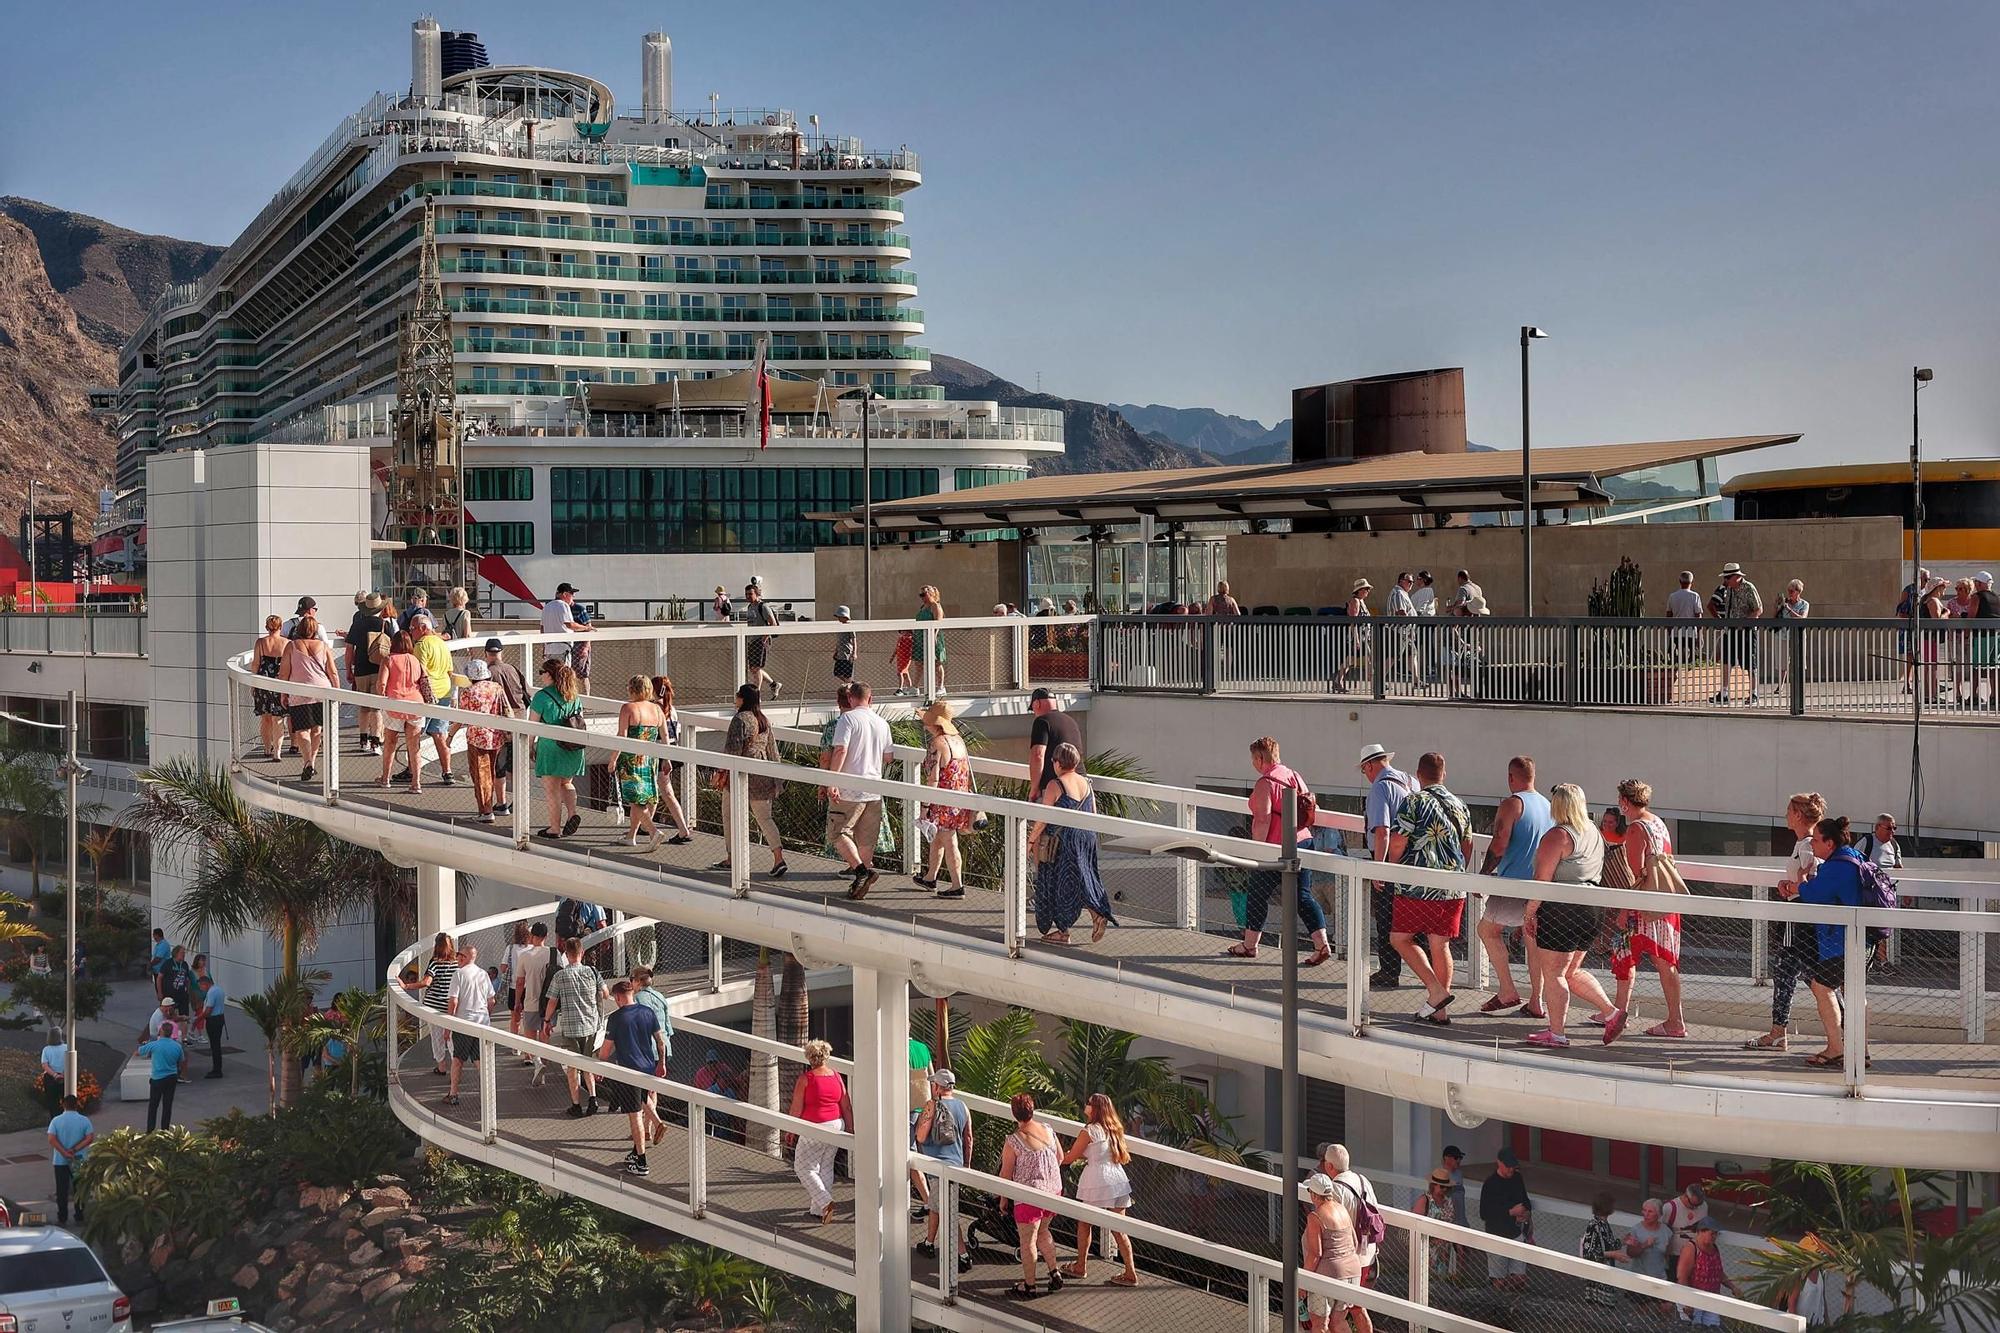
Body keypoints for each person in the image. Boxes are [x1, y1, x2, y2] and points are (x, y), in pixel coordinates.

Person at [1524, 782, 1619, 1046]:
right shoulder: (1594, 832)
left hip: (1561, 910)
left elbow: (1542, 879)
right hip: (1591, 909)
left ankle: (1557, 1033)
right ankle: (1611, 1012)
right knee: (1571, 971)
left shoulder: (1558, 836)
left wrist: (1529, 913)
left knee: (1554, 973)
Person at [1226, 737, 1331, 964]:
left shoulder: (1265, 783)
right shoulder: (1293, 776)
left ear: (1260, 758)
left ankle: (1250, 945)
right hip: (1303, 841)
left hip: (1276, 848)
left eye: (1253, 758)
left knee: (1256, 894)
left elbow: (1262, 819)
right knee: (1301, 896)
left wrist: (1257, 850)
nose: (1253, 763)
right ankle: (1321, 944)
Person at [1386, 751, 1473, 1023]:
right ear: (1443, 774)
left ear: (1418, 774)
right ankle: (1441, 1010)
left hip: (1418, 886)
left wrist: (1391, 867)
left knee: (1399, 938)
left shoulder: (1414, 801)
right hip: (1453, 887)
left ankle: (1435, 992)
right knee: (1440, 943)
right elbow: (1467, 844)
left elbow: (1398, 839)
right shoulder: (1460, 804)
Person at [1606, 778, 1686, 1039]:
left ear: (1624, 801)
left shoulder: (1636, 829)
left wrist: (1624, 909)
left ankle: (1667, 1020)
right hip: (1665, 900)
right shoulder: (1658, 823)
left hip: (1645, 905)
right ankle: (1670, 1018)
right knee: (1665, 960)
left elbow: (1635, 874)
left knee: (1627, 955)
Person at [1748, 792, 1826, 1052]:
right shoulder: (1806, 845)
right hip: (1799, 916)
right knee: (1790, 973)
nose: (1785, 815)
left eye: (1789, 810)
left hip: (1798, 919)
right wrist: (1790, 885)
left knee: (1810, 976)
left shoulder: (1806, 846)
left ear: (1798, 815)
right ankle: (1778, 1032)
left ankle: (1844, 1029)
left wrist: (1794, 886)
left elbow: (1812, 880)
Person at [1477, 756, 1555, 1018]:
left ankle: (1508, 990)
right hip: (1540, 886)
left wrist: (1483, 875)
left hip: (1513, 883)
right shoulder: (1547, 805)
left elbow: (1499, 842)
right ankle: (1537, 1001)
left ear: (1511, 777)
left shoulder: (1512, 804)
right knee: (1533, 943)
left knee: (1487, 930)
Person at [1029, 742, 1116, 946]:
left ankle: (1063, 931)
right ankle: (1096, 915)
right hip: (1086, 837)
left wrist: (1031, 840)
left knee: (1062, 883)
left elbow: (1043, 818)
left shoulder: (1054, 785)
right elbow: (1093, 813)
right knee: (1083, 879)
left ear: (1058, 763)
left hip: (1063, 842)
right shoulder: (1086, 783)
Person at [1799, 816, 1867, 1068]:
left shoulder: (1835, 866)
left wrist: (1802, 880)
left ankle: (1836, 1048)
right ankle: (1861, 1052)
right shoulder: (1856, 857)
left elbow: (1812, 895)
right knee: (1855, 992)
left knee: (1821, 986)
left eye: (1816, 840)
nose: (1813, 845)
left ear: (1829, 843)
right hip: (1863, 940)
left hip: (1840, 943)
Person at [1059, 1092, 1137, 1285]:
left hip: (1098, 1181)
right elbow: (1099, 1153)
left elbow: (1071, 1157)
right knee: (1119, 1229)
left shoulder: (1090, 1130)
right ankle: (1130, 1272)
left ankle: (1080, 1266)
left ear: (1094, 1109)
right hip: (1117, 1179)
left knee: (1085, 1223)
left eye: (1088, 1103)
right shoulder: (1113, 1129)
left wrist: (1056, 1152)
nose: (1085, 1105)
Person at [712, 683, 788, 879]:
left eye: (738, 694)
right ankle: (778, 857)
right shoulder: (763, 720)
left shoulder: (740, 719)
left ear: (743, 698)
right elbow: (773, 750)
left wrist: (721, 771)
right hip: (762, 774)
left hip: (740, 776)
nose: (736, 697)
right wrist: (777, 779)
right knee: (765, 818)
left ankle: (732, 857)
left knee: (729, 816)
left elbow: (732, 750)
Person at [1359, 744, 1419, 987]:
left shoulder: (1380, 788)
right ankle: (1429, 969)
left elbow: (1382, 831)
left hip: (1390, 859)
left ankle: (1389, 971)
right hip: (1415, 858)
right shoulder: (1411, 782)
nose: (1366, 775)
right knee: (1415, 916)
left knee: (1385, 917)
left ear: (1370, 765)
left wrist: (1378, 868)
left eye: (1364, 770)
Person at [824, 682, 891, 898]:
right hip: (874, 789)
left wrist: (832, 780)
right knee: (866, 840)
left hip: (850, 788)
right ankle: (860, 884)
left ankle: (861, 872)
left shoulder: (848, 719)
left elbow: (840, 750)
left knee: (837, 833)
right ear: (870, 699)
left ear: (851, 698)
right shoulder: (882, 723)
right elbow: (888, 757)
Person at [997, 1092, 1067, 1298]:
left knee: (1027, 1240)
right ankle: (1055, 1272)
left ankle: (1029, 1285)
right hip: (1053, 1190)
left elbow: (1006, 1174)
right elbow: (1060, 1157)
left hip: (1029, 1195)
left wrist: (1003, 1199)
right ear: (1033, 1109)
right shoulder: (1047, 1129)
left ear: (1014, 1114)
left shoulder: (1013, 1141)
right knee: (1044, 1232)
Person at [598, 979, 667, 1177]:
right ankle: (639, 1146)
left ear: (618, 997)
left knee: (634, 1115)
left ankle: (642, 1161)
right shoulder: (647, 1012)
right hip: (648, 1068)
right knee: (643, 1101)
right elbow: (660, 1042)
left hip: (628, 1071)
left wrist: (598, 1065)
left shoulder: (616, 1018)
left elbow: (606, 1050)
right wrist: (661, 1063)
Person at [912, 1069, 973, 1271]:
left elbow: (920, 1137)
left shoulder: (932, 1105)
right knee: (936, 1207)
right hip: (955, 1166)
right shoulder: (963, 1107)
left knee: (948, 1212)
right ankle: (929, 1244)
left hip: (937, 1168)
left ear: (937, 1087)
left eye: (933, 1084)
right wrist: (967, 1164)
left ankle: (963, 1256)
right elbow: (969, 1138)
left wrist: (922, 1120)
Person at [787, 1038, 853, 1224]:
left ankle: (825, 1202)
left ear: (809, 1058)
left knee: (803, 1167)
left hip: (814, 1126)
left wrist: (790, 1129)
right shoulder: (836, 1076)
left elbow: (796, 1109)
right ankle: (818, 1210)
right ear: (827, 1055)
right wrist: (850, 1127)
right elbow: (846, 1106)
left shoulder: (806, 1079)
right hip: (836, 1125)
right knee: (825, 1166)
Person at [542, 935, 607, 1117]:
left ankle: (576, 1104)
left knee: (572, 1068)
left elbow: (552, 1002)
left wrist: (547, 1021)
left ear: (566, 954)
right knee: (588, 1063)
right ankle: (593, 1098)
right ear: (582, 952)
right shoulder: (593, 972)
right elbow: (606, 993)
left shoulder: (560, 975)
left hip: (570, 1028)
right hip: (591, 1025)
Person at [916, 698, 973, 897]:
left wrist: (924, 808)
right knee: (938, 839)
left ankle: (957, 885)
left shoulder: (937, 744)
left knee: (949, 841)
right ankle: (930, 877)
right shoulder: (959, 742)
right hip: (958, 800)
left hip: (942, 801)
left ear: (935, 723)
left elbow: (933, 779)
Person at [1302, 1173, 1369, 1332]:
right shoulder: (1342, 1209)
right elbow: (1354, 1241)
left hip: (1329, 1274)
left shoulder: (1315, 1216)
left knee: (1320, 1323)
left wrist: (1303, 1282)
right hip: (1352, 1272)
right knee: (1338, 1322)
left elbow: (1315, 1254)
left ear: (1314, 1194)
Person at [529, 658, 585, 839]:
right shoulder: (573, 695)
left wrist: (530, 746)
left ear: (549, 674)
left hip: (551, 748)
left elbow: (532, 726)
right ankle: (572, 813)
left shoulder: (541, 696)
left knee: (551, 789)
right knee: (566, 782)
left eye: (541, 672)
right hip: (572, 747)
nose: (540, 676)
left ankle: (554, 828)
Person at [279, 614, 337, 783]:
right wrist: (337, 691)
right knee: (317, 728)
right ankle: (312, 761)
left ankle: (307, 762)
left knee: (302, 729)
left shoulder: (291, 646)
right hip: (322, 691)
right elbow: (332, 671)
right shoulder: (324, 645)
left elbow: (284, 672)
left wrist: (283, 693)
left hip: (299, 691)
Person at [1319, 1143, 1382, 1293]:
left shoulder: (1334, 1189)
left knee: (1347, 1307)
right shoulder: (1363, 1180)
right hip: (1369, 1254)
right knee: (1356, 1306)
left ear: (1329, 1166)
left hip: (1348, 1260)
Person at [616, 675, 669, 850]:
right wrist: (666, 759)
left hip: (631, 758)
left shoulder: (628, 708)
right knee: (642, 798)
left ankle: (653, 831)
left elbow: (622, 736)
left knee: (635, 799)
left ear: (632, 688)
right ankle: (631, 836)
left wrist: (613, 758)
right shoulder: (657, 710)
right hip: (650, 759)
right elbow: (665, 736)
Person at [404, 616, 457, 786]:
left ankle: (412, 770)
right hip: (445, 692)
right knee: (440, 734)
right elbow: (450, 670)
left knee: (414, 734)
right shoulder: (441, 643)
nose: (411, 632)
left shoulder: (421, 645)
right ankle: (447, 771)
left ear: (422, 628)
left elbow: (420, 672)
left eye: (413, 628)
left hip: (427, 695)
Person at [453, 659, 508, 824]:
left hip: (477, 738)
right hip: (497, 736)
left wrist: (450, 736)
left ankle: (486, 811)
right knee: (493, 772)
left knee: (481, 775)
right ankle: (492, 807)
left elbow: (460, 717)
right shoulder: (497, 688)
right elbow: (506, 709)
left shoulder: (468, 692)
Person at [643, 675, 695, 843]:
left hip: (658, 752)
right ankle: (647, 825)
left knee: (663, 792)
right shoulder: (671, 709)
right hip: (670, 750)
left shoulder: (653, 708)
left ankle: (682, 829)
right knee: (658, 790)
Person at [443, 943, 494, 1108]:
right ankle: (488, 1097)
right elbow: (491, 1000)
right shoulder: (483, 974)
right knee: (480, 1060)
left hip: (464, 1023)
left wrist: (448, 1026)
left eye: (458, 955)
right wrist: (486, 1016)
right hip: (482, 1023)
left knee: (457, 1059)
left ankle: (453, 1094)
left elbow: (453, 1001)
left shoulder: (458, 974)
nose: (456, 958)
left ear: (463, 957)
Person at [378, 631, 427, 794]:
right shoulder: (416, 660)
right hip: (416, 704)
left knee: (390, 742)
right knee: (414, 746)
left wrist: (381, 698)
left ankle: (385, 778)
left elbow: (381, 685)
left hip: (395, 704)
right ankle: (416, 783)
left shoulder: (389, 660)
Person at [404, 932, 459, 1076]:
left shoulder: (435, 962)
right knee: (452, 1037)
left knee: (437, 1036)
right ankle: (456, 1068)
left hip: (434, 1006)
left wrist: (407, 986)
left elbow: (426, 982)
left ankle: (441, 1066)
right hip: (450, 1005)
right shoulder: (456, 963)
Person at [1854, 812, 1904, 969]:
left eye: (1894, 828)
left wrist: (1906, 890)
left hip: (1886, 893)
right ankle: (1872, 960)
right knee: (1869, 926)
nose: (1892, 831)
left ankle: (1881, 961)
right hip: (1869, 893)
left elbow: (1899, 868)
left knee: (1883, 925)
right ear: (1877, 828)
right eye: (1889, 828)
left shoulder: (1894, 845)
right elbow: (1855, 862)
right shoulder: (1867, 841)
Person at [1710, 562, 1764, 704]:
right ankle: (1724, 692)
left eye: (1728, 577)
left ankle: (1753, 693)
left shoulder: (1748, 588)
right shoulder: (1729, 589)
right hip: (1731, 630)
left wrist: (1745, 622)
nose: (1726, 580)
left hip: (1746, 631)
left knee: (1750, 662)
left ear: (1736, 577)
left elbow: (1758, 609)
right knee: (1727, 661)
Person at [1479, 1147, 1531, 1292]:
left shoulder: (1517, 1178)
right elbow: (1484, 1213)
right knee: (1499, 1280)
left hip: (1515, 1233)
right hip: (1497, 1234)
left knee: (1520, 1277)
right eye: (1508, 1167)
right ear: (1499, 1163)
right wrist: (1510, 1212)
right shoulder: (1490, 1184)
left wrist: (1525, 1213)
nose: (1510, 1170)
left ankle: (1513, 1301)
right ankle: (1499, 1303)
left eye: (1512, 1167)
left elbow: (1526, 1201)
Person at [1676, 1218, 1742, 1324]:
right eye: (1712, 1234)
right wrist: (1687, 1301)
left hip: (1712, 1298)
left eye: (1716, 1234)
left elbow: (1718, 1272)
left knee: (1713, 1326)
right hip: (1693, 1297)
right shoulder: (1691, 1248)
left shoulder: (1714, 1248)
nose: (1715, 1237)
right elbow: (1682, 1276)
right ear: (1701, 1232)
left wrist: (1732, 1287)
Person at [1026, 687, 1083, 802]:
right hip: (1080, 786)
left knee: (1039, 819)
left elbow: (1038, 755)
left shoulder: (1042, 721)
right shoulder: (1071, 721)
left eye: (1032, 709)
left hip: (1056, 789)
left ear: (1036, 703)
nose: (1034, 713)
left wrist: (1034, 788)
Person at [250, 615, 289, 760]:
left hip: (262, 682)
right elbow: (288, 665)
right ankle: (277, 752)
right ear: (280, 627)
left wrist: (253, 684)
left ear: (267, 627)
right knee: (278, 719)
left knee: (265, 718)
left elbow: (255, 664)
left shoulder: (261, 642)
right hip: (279, 683)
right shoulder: (286, 643)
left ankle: (267, 748)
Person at [511, 921, 553, 1055]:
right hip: (549, 1003)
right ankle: (543, 1060)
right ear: (546, 936)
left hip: (531, 1000)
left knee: (530, 1036)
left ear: (531, 936)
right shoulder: (554, 954)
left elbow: (519, 982)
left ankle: (531, 1059)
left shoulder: (525, 956)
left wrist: (518, 1001)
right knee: (545, 1034)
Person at [1580, 1192, 1626, 1306]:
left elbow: (1608, 1246)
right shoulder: (1594, 1225)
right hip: (1597, 1275)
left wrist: (1623, 1242)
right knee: (1599, 1308)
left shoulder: (1604, 1224)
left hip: (1606, 1273)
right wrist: (1613, 1255)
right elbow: (1589, 1253)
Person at [139, 1023, 186, 1131]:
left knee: (153, 1105)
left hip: (158, 1078)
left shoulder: (155, 1044)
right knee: (167, 1104)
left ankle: (150, 1130)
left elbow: (140, 1051)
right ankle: (165, 1129)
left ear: (161, 1031)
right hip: (172, 1077)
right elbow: (182, 1061)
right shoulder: (177, 1046)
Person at [743, 583, 783, 698]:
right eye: (746, 594)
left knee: (756, 668)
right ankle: (774, 684)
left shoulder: (763, 606)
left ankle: (756, 695)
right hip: (752, 640)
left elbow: (773, 623)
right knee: (753, 669)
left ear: (756, 594)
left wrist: (765, 636)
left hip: (761, 641)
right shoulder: (750, 607)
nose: (748, 596)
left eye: (750, 594)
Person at [539, 582, 592, 663]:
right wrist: (587, 628)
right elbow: (570, 624)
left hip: (549, 649)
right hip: (562, 648)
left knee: (552, 673)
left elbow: (542, 628)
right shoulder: (564, 605)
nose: (573, 597)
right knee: (564, 674)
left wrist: (544, 647)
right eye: (572, 595)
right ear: (564, 594)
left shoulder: (547, 607)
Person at [193, 963, 228, 1079]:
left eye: (201, 987)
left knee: (214, 1045)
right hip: (220, 1018)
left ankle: (217, 1070)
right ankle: (217, 1068)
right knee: (216, 1044)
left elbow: (208, 1010)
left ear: (205, 984)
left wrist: (197, 1020)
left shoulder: (211, 992)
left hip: (213, 1020)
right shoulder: (219, 989)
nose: (201, 989)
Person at [913, 583, 947, 695]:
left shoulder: (935, 606)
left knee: (937, 663)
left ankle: (941, 686)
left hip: (933, 638)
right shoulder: (923, 608)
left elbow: (938, 622)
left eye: (924, 594)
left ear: (931, 593)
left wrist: (934, 637)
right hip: (920, 638)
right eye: (920, 595)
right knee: (918, 663)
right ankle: (915, 687)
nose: (922, 597)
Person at [36, 1037, 66, 1113]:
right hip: (66, 1077)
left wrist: (55, 1075)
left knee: (52, 1102)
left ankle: (55, 1119)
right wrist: (64, 1074)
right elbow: (71, 1061)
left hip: (50, 1078)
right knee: (67, 1100)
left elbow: (44, 1065)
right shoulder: (67, 1047)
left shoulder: (46, 1049)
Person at [831, 605, 857, 685]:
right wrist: (836, 651)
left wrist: (854, 653)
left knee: (847, 673)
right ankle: (850, 683)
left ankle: (850, 684)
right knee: (837, 672)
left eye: (840, 616)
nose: (838, 619)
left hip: (847, 654)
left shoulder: (850, 627)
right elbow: (838, 641)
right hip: (840, 654)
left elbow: (854, 640)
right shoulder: (840, 627)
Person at [149, 928, 171, 999]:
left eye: (154, 935)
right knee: (158, 990)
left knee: (162, 991)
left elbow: (158, 958)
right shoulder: (158, 945)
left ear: (157, 935)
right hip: (157, 971)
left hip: (162, 972)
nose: (153, 937)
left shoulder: (163, 945)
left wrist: (150, 964)